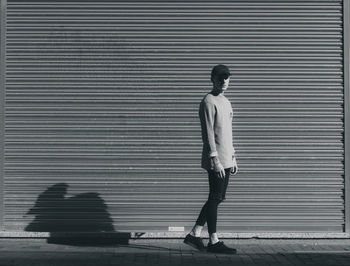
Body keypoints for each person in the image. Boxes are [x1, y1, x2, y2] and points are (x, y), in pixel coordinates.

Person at [184, 64, 238, 254]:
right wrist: (215, 159)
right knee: (215, 197)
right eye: (220, 78)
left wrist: (233, 156)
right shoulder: (208, 101)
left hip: (226, 158)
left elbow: (228, 132)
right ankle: (213, 240)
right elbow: (207, 133)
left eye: (226, 78)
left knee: (219, 197)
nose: (224, 81)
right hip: (216, 159)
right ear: (212, 79)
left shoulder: (226, 101)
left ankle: (195, 233)